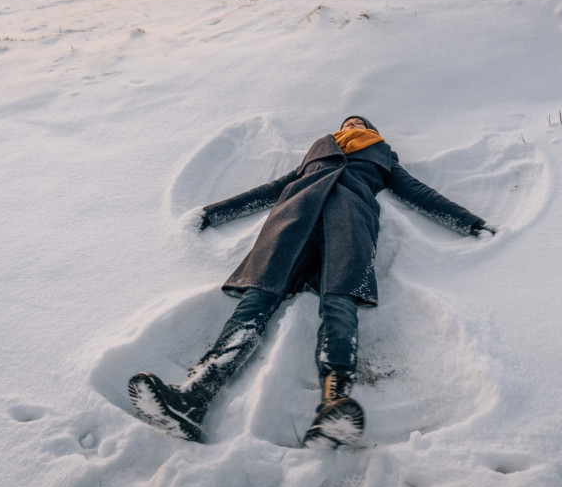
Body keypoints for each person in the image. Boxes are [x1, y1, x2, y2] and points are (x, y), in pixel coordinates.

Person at [128, 116, 495, 448]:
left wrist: (471, 223)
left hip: (350, 224)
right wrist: (213, 213)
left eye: (359, 123)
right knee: (257, 300)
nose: (352, 124)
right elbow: (271, 188)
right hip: (292, 225)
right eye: (347, 122)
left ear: (372, 132)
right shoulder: (319, 150)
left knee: (339, 302)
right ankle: (194, 396)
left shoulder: (384, 157)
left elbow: (419, 193)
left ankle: (335, 403)